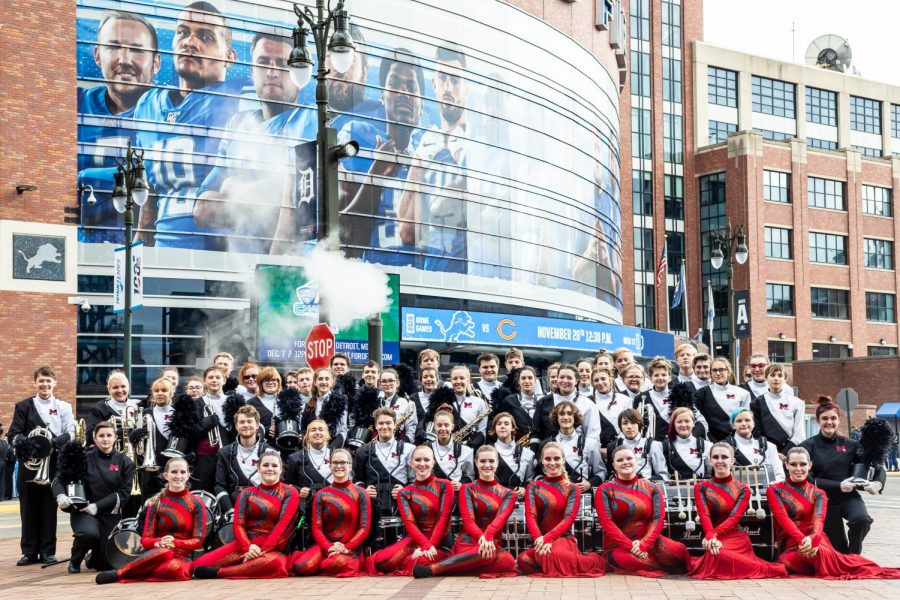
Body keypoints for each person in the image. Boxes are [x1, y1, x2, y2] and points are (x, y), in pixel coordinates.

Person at [133, 0, 243, 250]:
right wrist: (141, 235)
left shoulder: (238, 104)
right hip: (163, 250)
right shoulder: (148, 105)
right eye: (183, 32)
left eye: (205, 36)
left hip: (220, 256)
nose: (189, 42)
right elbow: (150, 185)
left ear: (229, 57)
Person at [194, 32, 297, 254]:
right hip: (234, 270)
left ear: (299, 76)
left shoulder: (307, 125)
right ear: (252, 72)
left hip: (285, 271)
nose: (272, 72)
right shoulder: (239, 125)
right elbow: (203, 209)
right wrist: (267, 195)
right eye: (263, 63)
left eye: (281, 64)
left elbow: (297, 204)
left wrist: (232, 186)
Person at [77, 10, 161, 244]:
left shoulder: (168, 115)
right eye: (113, 47)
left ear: (156, 62)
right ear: (97, 55)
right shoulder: (74, 104)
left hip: (146, 253)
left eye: (136, 49)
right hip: (80, 249)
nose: (125, 59)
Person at [338, 49, 424, 266]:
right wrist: (377, 171)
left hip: (422, 288)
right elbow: (340, 240)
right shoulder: (358, 138)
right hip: (372, 288)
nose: (403, 91)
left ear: (421, 105)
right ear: (382, 96)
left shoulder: (429, 158)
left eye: (411, 87)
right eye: (395, 84)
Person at [767, 447, 900, 578]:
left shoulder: (819, 493)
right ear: (786, 465)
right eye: (793, 464)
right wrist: (802, 541)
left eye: (803, 464)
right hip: (791, 543)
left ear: (810, 465)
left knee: (823, 556)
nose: (798, 469)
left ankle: (830, 562)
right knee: (786, 561)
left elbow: (818, 522)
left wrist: (814, 541)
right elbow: (783, 519)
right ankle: (824, 563)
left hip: (816, 542)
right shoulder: (775, 490)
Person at [398, 44, 471, 273]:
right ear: (434, 84)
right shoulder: (426, 144)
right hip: (432, 279)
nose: (448, 87)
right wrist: (419, 163)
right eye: (442, 78)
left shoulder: (478, 144)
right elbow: (407, 232)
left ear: (466, 86)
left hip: (471, 282)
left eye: (456, 80)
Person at [193, 449, 301, 579]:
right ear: (258, 468)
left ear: (281, 469)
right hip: (246, 545)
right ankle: (248, 565)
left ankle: (221, 572)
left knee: (277, 564)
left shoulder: (290, 492)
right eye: (265, 465)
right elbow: (239, 524)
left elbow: (283, 527)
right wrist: (248, 548)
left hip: (272, 549)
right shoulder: (246, 493)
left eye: (274, 465)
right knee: (198, 565)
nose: (270, 468)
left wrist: (262, 551)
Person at [95, 457, 206, 583]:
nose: (178, 476)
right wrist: (158, 542)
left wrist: (175, 543)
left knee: (175, 569)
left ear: (188, 475)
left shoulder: (197, 503)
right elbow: (146, 540)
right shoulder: (155, 503)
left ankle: (133, 571)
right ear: (166, 475)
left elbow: (198, 540)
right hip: (159, 553)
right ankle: (120, 573)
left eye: (182, 472)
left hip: (182, 557)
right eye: (174, 472)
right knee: (166, 553)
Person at [686, 443, 787, 579]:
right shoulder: (701, 487)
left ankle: (764, 569)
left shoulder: (743, 489)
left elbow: (734, 518)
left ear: (732, 461)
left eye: (724, 457)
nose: (720, 461)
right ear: (710, 460)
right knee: (716, 553)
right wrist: (711, 535)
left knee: (719, 554)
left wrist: (713, 534)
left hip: (736, 538)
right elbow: (704, 514)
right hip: (712, 536)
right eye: (715, 457)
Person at [414, 445, 518, 578]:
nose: (487, 465)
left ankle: (459, 567)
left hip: (491, 543)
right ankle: (433, 570)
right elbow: (468, 522)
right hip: (468, 543)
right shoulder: (467, 489)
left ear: (497, 463)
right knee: (489, 555)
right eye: (482, 461)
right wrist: (483, 538)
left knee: (508, 562)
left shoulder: (508, 493)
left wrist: (488, 536)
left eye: (491, 461)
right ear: (476, 462)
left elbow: (500, 519)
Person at [8, 366, 75, 565]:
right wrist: (30, 445)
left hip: (53, 463)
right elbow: (13, 434)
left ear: (54, 383)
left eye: (48, 381)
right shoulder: (23, 406)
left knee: (48, 508)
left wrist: (50, 444)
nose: (45, 384)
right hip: (30, 464)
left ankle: (47, 551)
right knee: (27, 508)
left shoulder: (63, 406)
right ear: (35, 383)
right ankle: (29, 552)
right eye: (41, 381)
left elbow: (70, 433)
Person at [800, 397, 883, 555]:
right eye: (824, 418)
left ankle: (854, 556)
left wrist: (877, 484)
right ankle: (846, 556)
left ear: (839, 420)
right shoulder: (807, 446)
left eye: (833, 418)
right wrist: (838, 485)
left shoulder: (851, 445)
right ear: (818, 420)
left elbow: (877, 466)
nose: (829, 422)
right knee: (839, 549)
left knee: (861, 520)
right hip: (823, 501)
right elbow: (808, 479)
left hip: (848, 497)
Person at [52, 421, 135, 573]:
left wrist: (97, 506)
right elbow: (58, 479)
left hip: (109, 513)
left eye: (109, 435)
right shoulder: (83, 458)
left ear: (115, 438)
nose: (105, 439)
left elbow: (123, 494)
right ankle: (75, 560)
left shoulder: (125, 462)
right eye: (101, 436)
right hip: (83, 511)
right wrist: (61, 495)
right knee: (88, 533)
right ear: (94, 438)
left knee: (105, 565)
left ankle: (93, 558)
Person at [596, 446, 691, 577]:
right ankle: (665, 567)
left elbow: (658, 518)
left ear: (637, 461)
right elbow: (607, 523)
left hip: (650, 541)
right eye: (620, 460)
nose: (625, 462)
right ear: (614, 465)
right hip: (619, 546)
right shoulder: (605, 489)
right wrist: (631, 547)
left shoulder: (652, 487)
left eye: (629, 458)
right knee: (628, 559)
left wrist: (644, 543)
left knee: (676, 553)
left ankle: (666, 562)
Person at [517, 442, 606, 577]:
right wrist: (540, 539)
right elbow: (530, 516)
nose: (552, 462)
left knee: (550, 555)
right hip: (540, 540)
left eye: (556, 458)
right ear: (542, 461)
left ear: (563, 460)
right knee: (523, 559)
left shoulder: (572, 488)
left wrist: (548, 538)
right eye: (548, 459)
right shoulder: (533, 487)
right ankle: (556, 562)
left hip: (562, 539)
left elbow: (568, 519)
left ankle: (594, 561)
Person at [369, 445, 453, 575]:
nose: (422, 464)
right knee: (382, 562)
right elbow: (410, 523)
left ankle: (413, 559)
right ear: (411, 463)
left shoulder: (444, 485)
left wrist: (429, 546)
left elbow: (443, 518)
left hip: (440, 543)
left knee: (421, 561)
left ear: (433, 462)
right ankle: (411, 557)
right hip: (416, 539)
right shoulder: (405, 492)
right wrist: (423, 545)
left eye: (426, 460)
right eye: (418, 460)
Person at [291, 448, 372, 576]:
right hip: (325, 547)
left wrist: (347, 547)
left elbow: (364, 528)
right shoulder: (320, 494)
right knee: (302, 566)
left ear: (350, 466)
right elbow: (316, 528)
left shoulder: (361, 493)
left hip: (351, 548)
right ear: (329, 466)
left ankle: (324, 563)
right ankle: (319, 560)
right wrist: (329, 547)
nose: (339, 466)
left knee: (337, 563)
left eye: (343, 463)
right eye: (335, 463)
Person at [354, 408, 414, 522]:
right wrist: (364, 490)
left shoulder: (409, 449)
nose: (384, 426)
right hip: (373, 506)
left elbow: (414, 480)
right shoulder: (362, 451)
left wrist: (405, 489)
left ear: (395, 424)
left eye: (388, 423)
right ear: (375, 426)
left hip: (401, 505)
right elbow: (358, 480)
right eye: (381, 423)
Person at [536, 402, 606, 492]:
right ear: (556, 418)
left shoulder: (589, 443)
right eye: (561, 414)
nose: (565, 417)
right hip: (554, 495)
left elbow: (601, 472)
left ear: (575, 417)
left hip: (581, 495)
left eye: (569, 414)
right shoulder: (546, 444)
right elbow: (538, 474)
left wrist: (589, 484)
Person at [214, 405, 272, 513]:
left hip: (263, 511)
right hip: (234, 511)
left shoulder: (270, 453)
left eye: (249, 421)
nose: (246, 425)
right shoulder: (225, 452)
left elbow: (277, 486)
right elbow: (220, 486)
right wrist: (230, 510)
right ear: (236, 426)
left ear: (257, 424)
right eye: (242, 422)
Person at [531, 364, 600, 452]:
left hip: (577, 455)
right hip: (549, 455)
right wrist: (535, 456)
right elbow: (536, 433)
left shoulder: (588, 404)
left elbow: (592, 436)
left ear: (576, 380)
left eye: (569, 378)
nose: (565, 380)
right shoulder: (543, 402)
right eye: (562, 377)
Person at [130, 377, 175, 498]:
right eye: (156, 390)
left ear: (171, 392)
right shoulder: (146, 412)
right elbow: (137, 445)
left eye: (164, 390)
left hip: (172, 466)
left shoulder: (178, 412)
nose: (160, 393)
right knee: (149, 503)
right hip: (150, 468)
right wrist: (134, 436)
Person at [751, 363, 805, 456]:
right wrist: (772, 453)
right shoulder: (756, 403)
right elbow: (757, 434)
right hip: (766, 454)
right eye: (772, 375)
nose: (776, 378)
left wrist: (784, 454)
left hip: (790, 454)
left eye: (780, 375)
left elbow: (799, 435)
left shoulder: (798, 403)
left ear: (785, 379)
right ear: (766, 377)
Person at [284, 420, 334, 519]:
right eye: (313, 430)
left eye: (321, 429)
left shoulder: (337, 455)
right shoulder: (294, 458)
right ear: (307, 436)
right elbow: (285, 484)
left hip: (333, 506)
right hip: (306, 509)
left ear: (327, 434)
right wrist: (299, 490)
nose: (317, 433)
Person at [693, 358, 751, 443]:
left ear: (728, 372)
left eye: (721, 370)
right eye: (714, 370)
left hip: (736, 441)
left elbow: (746, 420)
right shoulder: (701, 394)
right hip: (711, 441)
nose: (718, 373)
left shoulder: (743, 393)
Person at [650, 407, 710, 481]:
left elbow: (709, 476)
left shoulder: (707, 446)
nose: (683, 425)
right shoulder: (661, 447)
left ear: (694, 423)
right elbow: (663, 476)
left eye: (687, 421)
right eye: (679, 422)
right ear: (673, 424)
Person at [726, 407, 785, 482]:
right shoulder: (726, 447)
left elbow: (779, 475)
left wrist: (768, 489)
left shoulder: (769, 447)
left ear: (753, 423)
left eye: (747, 420)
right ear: (733, 425)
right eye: (739, 421)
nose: (744, 423)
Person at [604, 408, 664, 479]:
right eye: (625, 423)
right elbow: (610, 474)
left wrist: (647, 482)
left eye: (633, 423)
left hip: (646, 487)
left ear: (639, 425)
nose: (629, 427)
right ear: (620, 426)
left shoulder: (653, 445)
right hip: (621, 487)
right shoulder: (613, 446)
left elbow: (663, 475)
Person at [300, 367, 349, 448]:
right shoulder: (308, 403)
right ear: (315, 382)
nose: (324, 382)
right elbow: (304, 429)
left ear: (332, 382)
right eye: (320, 379)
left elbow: (342, 431)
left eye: (327, 379)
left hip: (332, 447)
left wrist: (331, 450)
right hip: (311, 449)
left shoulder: (340, 401)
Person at [429, 404, 475, 488]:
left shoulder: (466, 451)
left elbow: (470, 476)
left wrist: (461, 484)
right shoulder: (427, 448)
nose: (443, 429)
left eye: (446, 425)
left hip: (454, 496)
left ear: (452, 427)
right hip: (432, 493)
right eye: (439, 425)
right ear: (434, 426)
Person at [490, 412, 534, 499]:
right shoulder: (487, 451)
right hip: (493, 500)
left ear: (513, 428)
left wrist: (525, 489)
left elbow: (530, 480)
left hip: (518, 503)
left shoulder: (528, 454)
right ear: (495, 428)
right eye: (499, 424)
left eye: (506, 423)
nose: (502, 426)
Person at [87, 371, 139, 441]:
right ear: (109, 389)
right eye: (115, 387)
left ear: (128, 387)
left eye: (123, 386)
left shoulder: (137, 406)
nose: (120, 390)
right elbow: (91, 435)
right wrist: (116, 433)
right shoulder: (98, 409)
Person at [448, 366, 490, 448]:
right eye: (455, 378)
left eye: (462, 378)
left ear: (469, 381)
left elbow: (482, 431)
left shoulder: (479, 402)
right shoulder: (444, 401)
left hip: (470, 448)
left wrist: (472, 445)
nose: (458, 381)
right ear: (451, 381)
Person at [592, 366, 630, 447]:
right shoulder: (588, 402)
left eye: (603, 379)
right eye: (596, 380)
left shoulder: (625, 400)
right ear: (592, 383)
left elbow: (629, 425)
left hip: (621, 446)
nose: (600, 382)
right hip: (597, 448)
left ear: (610, 380)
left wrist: (617, 445)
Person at [378, 369, 418, 443]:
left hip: (399, 443)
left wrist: (404, 443)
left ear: (397, 383)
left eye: (391, 380)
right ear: (380, 384)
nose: (387, 384)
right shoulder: (376, 402)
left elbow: (411, 428)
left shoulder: (407, 403)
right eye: (384, 381)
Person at [246, 367, 282, 445]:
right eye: (266, 380)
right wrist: (264, 430)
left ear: (278, 382)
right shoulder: (250, 404)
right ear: (260, 383)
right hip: (262, 448)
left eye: (273, 380)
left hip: (287, 448)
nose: (270, 382)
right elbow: (246, 426)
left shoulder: (288, 400)